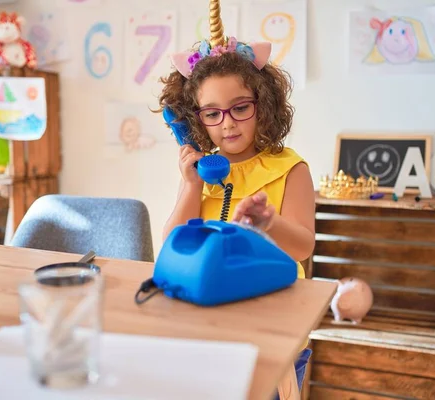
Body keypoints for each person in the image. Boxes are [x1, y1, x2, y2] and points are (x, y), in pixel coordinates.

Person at [155, 5, 316, 395]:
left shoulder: (290, 169)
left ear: (264, 105)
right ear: (196, 121)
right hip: (211, 315)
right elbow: (170, 247)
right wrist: (191, 187)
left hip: (272, 315)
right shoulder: (202, 173)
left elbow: (302, 246)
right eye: (212, 113)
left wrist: (268, 224)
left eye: (240, 108)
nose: (227, 123)